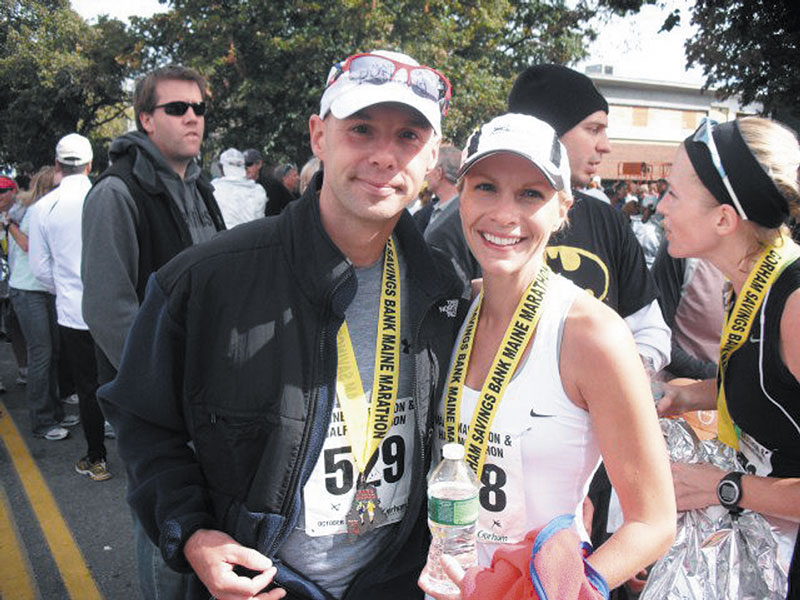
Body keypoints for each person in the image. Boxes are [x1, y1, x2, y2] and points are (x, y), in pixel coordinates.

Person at [98, 49, 465, 600]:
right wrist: (194, 535)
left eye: (409, 136)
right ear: (320, 136)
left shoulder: (446, 287)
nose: (385, 156)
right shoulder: (206, 280)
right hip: (264, 586)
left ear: (433, 155)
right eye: (361, 129)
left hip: (396, 582)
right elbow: (144, 422)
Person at [420, 113, 675, 598]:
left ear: (563, 208)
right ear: (463, 195)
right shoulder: (455, 313)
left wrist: (559, 589)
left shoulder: (592, 333)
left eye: (531, 194)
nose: (503, 214)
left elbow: (654, 520)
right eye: (486, 188)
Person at [81, 64, 226, 599]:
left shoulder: (200, 187)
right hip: (157, 400)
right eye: (176, 108)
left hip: (206, 392)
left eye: (199, 109)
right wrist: (163, 388)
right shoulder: (116, 193)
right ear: (145, 118)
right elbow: (107, 307)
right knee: (165, 518)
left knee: (201, 524)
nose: (192, 118)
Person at [656, 116, 800, 597]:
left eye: (673, 194)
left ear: (723, 218)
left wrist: (724, 486)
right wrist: (688, 394)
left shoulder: (795, 304)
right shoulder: (745, 282)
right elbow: (776, 389)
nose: (659, 208)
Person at [29, 133, 109, 480]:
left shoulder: (43, 207)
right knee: (119, 376)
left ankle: (96, 458)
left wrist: (64, 289)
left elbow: (40, 269)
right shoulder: (107, 196)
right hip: (114, 308)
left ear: (58, 165)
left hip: (74, 311)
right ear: (90, 165)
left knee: (87, 385)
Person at [6, 167, 72, 440]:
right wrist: (9, 225)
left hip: (45, 289)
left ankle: (54, 412)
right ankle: (42, 420)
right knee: (42, 354)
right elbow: (29, 246)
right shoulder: (37, 211)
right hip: (29, 289)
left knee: (53, 351)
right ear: (47, 188)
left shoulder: (47, 209)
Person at [211, 147, 267, 228]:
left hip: (221, 238)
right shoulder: (258, 190)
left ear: (221, 168)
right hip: (251, 237)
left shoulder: (213, 189)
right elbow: (260, 222)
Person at [414, 144, 461, 233]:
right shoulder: (429, 210)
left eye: (430, 169)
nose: (426, 174)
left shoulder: (462, 214)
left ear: (439, 173)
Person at [243, 148, 296, 216]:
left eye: (248, 164)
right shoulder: (237, 187)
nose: (245, 168)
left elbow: (292, 205)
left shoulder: (273, 185)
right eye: (241, 165)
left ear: (259, 164)